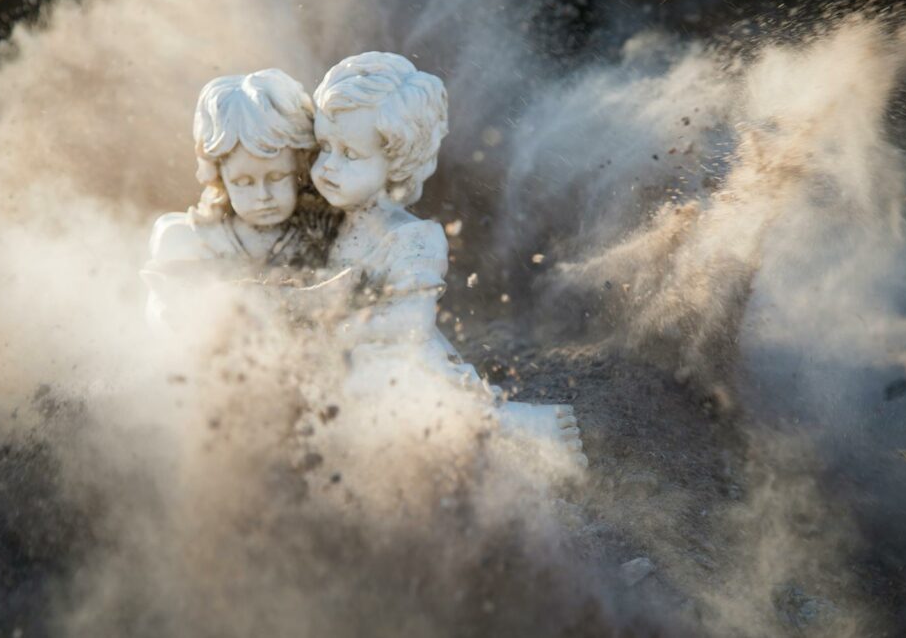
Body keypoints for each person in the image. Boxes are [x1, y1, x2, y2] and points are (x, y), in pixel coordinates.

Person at [308, 52, 585, 463]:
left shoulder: (414, 237)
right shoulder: (334, 221)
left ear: (398, 162)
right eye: (324, 147)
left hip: (396, 362)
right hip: (350, 352)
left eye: (350, 154)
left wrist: (332, 325)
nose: (328, 166)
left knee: (386, 394)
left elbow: (410, 325)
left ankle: (519, 427)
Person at [143, 70, 339, 328]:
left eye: (277, 176)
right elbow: (161, 322)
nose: (263, 196)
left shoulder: (324, 232)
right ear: (219, 175)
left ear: (301, 168)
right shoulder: (194, 239)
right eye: (243, 182)